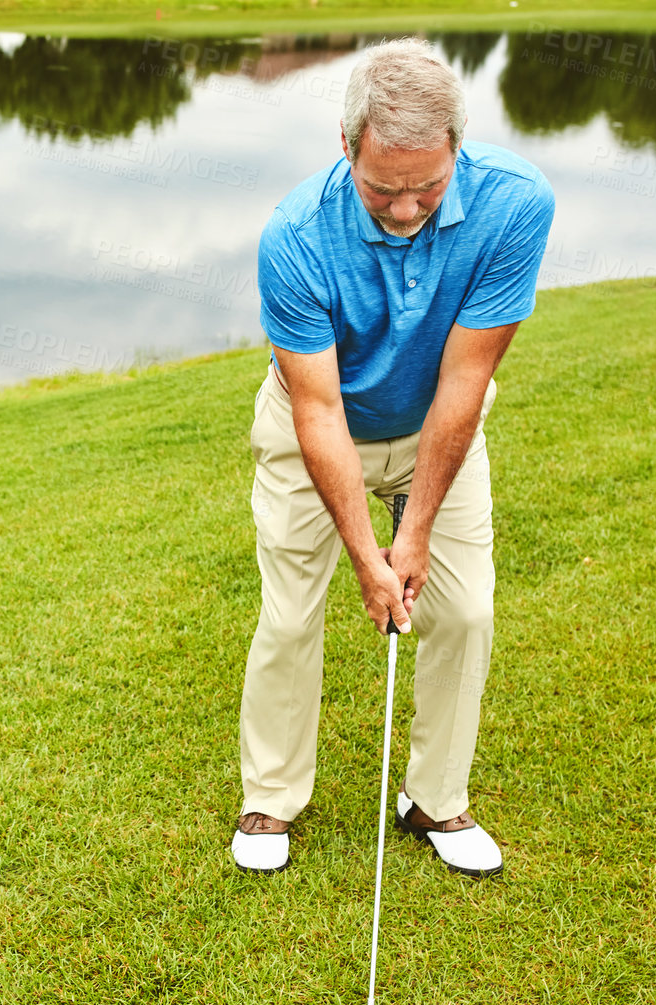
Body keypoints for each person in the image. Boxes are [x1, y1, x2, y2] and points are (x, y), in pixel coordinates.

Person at [232, 38, 554, 878]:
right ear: (346, 148)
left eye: (427, 187)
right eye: (383, 188)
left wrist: (409, 538)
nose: (406, 209)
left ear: (460, 145)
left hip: (434, 432)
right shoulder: (294, 236)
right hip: (319, 430)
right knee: (292, 614)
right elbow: (320, 409)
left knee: (466, 610)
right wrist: (365, 556)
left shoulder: (516, 205)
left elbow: (465, 382)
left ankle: (434, 799)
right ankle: (271, 799)